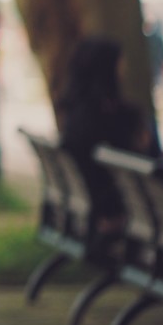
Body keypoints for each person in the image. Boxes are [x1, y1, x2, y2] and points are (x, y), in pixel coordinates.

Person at [55, 36, 151, 228]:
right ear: (107, 71)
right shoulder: (110, 120)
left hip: (87, 204)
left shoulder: (74, 115)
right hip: (113, 209)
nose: (124, 70)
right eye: (120, 64)